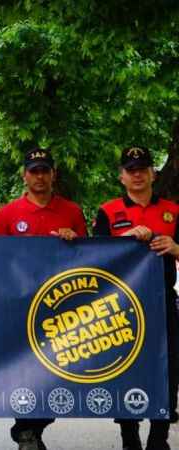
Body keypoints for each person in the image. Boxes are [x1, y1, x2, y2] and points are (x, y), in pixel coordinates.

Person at [0, 147, 87, 450]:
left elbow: (90, 257)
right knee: (25, 372)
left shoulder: (71, 211)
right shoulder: (7, 214)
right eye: (34, 171)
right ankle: (26, 431)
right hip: (19, 305)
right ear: (25, 175)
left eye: (45, 170)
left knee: (57, 374)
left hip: (59, 307)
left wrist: (73, 242)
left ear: (53, 174)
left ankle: (31, 428)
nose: (40, 176)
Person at [93, 146, 179, 450]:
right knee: (124, 367)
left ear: (153, 174)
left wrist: (176, 247)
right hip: (121, 306)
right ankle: (129, 436)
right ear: (121, 177)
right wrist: (128, 238)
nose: (138, 174)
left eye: (143, 168)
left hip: (162, 301)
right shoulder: (107, 210)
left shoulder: (173, 210)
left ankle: (159, 437)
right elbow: (95, 259)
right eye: (131, 169)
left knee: (168, 368)